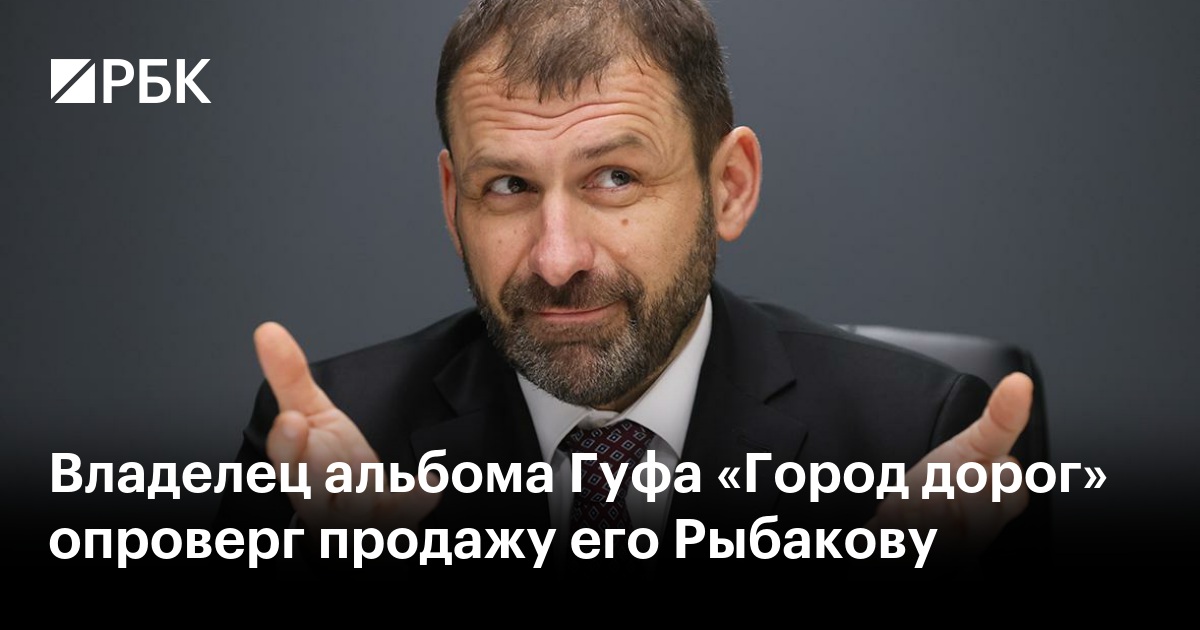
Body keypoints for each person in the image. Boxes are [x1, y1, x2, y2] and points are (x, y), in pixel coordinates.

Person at [215, 0, 1039, 574]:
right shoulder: (334, 448)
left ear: (729, 186)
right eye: (507, 186)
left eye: (615, 177)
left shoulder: (918, 448)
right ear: (452, 203)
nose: (557, 259)